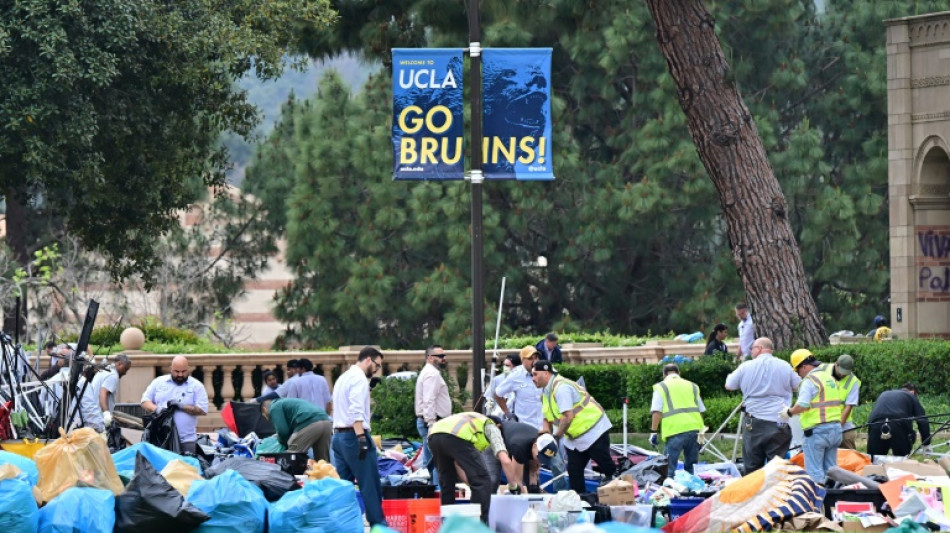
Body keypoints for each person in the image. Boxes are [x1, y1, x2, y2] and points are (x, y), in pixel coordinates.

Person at [531, 359, 615, 494]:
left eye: (535, 374)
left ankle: (623, 492)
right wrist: (542, 435)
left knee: (607, 466)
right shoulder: (546, 393)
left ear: (546, 373)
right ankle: (580, 500)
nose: (532, 378)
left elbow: (568, 416)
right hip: (574, 436)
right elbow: (548, 419)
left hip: (593, 429)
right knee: (574, 471)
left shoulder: (561, 388)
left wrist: (556, 437)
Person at [725, 337, 800, 474]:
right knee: (777, 467)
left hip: (754, 422)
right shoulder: (785, 366)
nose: (751, 352)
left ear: (759, 348)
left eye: (752, 348)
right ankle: (775, 487)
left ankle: (755, 487)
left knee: (752, 466)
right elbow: (798, 385)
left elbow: (729, 385)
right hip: (779, 421)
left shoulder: (746, 366)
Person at [428, 412, 521, 523]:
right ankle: (479, 525)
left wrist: (472, 483)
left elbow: (457, 465)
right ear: (499, 427)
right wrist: (513, 486)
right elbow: (505, 460)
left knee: (447, 481)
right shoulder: (491, 425)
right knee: (483, 480)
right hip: (455, 437)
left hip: (434, 435)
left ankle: (447, 524)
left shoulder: (470, 424)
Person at [332, 347, 385, 527]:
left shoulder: (343, 377)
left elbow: (344, 404)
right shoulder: (359, 378)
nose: (377, 369)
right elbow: (355, 410)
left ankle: (344, 526)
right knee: (370, 485)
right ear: (368, 360)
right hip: (354, 436)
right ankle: (378, 526)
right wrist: (361, 437)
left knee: (344, 488)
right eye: (377, 365)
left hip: (338, 437)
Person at [780, 349, 842, 484]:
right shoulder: (829, 378)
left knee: (814, 473)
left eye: (797, 371)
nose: (798, 374)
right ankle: (833, 495)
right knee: (831, 471)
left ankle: (818, 497)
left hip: (817, 432)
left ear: (804, 366)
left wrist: (789, 412)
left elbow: (802, 405)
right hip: (835, 429)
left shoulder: (809, 381)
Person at [141, 355, 209, 455]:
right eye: (177, 371)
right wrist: (158, 409)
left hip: (186, 440)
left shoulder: (196, 386)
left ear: (188, 369)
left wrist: (182, 406)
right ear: (171, 369)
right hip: (161, 439)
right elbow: (144, 401)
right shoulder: (159, 382)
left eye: (183, 371)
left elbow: (203, 410)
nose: (180, 375)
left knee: (186, 464)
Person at [650, 363, 706, 474]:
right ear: (679, 373)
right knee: (692, 468)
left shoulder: (661, 387)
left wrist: (653, 432)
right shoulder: (693, 386)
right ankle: (692, 484)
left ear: (664, 374)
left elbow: (657, 412)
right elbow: (700, 411)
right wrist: (701, 433)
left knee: (668, 469)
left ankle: (669, 485)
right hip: (694, 430)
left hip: (674, 431)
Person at [414, 345, 452, 482]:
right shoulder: (432, 374)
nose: (444, 358)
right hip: (433, 423)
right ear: (430, 358)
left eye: (444, 355)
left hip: (431, 422)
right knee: (437, 463)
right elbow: (429, 400)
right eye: (440, 356)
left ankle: (429, 489)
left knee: (430, 463)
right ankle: (437, 490)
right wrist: (431, 424)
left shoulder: (430, 372)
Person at [867, 383, 932, 457]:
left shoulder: (884, 393)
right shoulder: (911, 396)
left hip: (875, 425)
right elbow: (922, 421)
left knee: (874, 460)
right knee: (901, 460)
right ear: (913, 392)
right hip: (898, 426)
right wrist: (926, 443)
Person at [262, 398, 332, 462]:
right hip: (326, 421)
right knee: (322, 462)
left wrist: (282, 443)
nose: (267, 419)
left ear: (264, 409)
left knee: (291, 456)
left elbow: (283, 432)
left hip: (308, 422)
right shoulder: (285, 402)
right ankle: (326, 472)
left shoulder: (274, 407)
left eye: (264, 416)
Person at [495, 346, 544, 428]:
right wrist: (507, 413)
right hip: (525, 427)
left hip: (544, 427)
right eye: (530, 358)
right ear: (522, 360)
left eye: (536, 357)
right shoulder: (515, 376)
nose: (534, 361)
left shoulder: (544, 371)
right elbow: (498, 394)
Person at [92, 353, 132, 427]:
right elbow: (103, 393)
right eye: (125, 369)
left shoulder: (104, 371)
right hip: (100, 418)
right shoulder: (113, 376)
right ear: (119, 363)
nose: (125, 373)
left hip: (93, 414)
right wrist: (106, 413)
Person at [830, 354, 860, 450]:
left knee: (848, 440)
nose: (843, 375)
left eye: (846, 373)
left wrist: (838, 429)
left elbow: (848, 407)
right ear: (836, 364)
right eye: (841, 371)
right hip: (824, 421)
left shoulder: (853, 381)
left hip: (844, 423)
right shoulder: (825, 373)